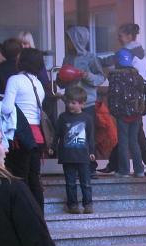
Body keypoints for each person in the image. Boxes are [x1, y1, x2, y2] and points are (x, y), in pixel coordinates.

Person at [2, 48, 47, 211]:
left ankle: (24, 213)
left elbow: (7, 108)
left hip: (20, 135)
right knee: (34, 177)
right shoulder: (39, 83)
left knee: (20, 177)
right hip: (37, 136)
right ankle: (38, 215)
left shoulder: (15, 80)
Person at [63, 26, 106, 174]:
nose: (67, 42)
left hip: (86, 104)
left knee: (87, 135)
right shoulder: (67, 58)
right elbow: (62, 81)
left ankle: (90, 166)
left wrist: (87, 75)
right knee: (71, 136)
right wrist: (61, 78)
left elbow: (101, 77)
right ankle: (74, 166)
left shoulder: (91, 57)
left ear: (77, 40)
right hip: (70, 103)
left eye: (69, 39)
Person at [53, 85, 95, 214]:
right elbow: (57, 134)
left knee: (86, 182)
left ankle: (88, 204)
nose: (70, 105)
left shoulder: (87, 118)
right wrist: (52, 147)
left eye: (73, 103)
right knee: (70, 183)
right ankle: (72, 205)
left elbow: (90, 136)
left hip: (83, 156)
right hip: (67, 156)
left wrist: (92, 151)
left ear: (82, 104)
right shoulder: (62, 118)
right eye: (68, 102)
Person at [111, 48, 146, 177]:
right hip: (136, 114)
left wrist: (114, 112)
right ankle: (139, 170)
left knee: (123, 143)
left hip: (122, 115)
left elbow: (113, 96)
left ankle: (124, 170)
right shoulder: (137, 75)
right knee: (134, 142)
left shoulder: (115, 76)